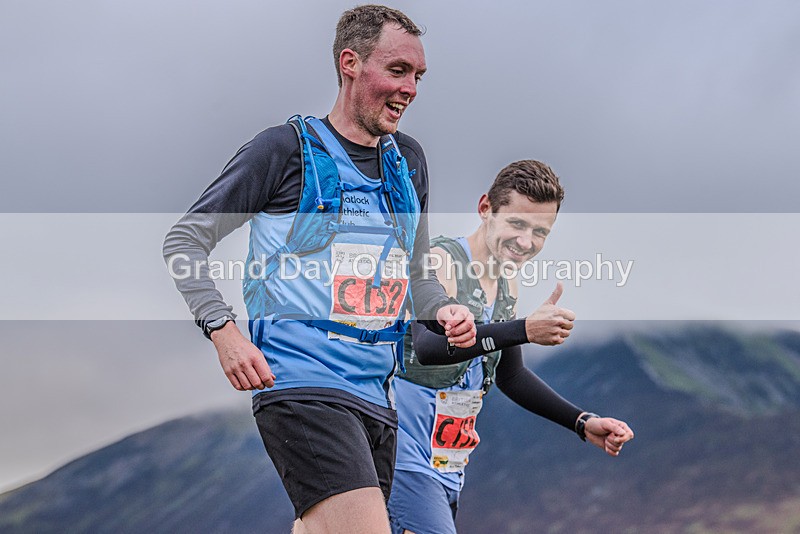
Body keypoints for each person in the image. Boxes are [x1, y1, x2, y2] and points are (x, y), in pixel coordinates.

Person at [162, 6, 476, 534]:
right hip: (302, 385)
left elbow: (418, 277)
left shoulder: (410, 163)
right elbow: (185, 239)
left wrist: (444, 308)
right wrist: (224, 331)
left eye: (418, 76)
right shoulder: (285, 151)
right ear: (350, 63)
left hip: (377, 398)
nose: (411, 89)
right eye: (397, 71)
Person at [387, 160, 635, 534]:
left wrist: (582, 422)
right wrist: (523, 329)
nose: (526, 242)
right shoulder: (440, 261)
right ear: (486, 208)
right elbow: (428, 347)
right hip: (400, 457)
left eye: (540, 232)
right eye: (517, 224)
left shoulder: (507, 284)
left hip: (449, 467)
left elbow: (511, 375)